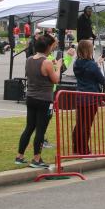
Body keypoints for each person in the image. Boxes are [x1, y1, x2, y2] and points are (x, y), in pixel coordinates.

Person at [15, 34, 61, 169]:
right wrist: (57, 66)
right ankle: (36, 159)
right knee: (40, 129)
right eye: (52, 46)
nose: (54, 48)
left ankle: (20, 156)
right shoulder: (46, 62)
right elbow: (56, 80)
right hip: (44, 99)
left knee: (29, 127)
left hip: (31, 97)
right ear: (48, 47)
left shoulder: (30, 59)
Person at [71, 39, 105, 155]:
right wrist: (97, 65)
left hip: (80, 95)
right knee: (87, 124)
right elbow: (101, 79)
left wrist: (96, 64)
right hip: (91, 97)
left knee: (80, 123)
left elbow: (88, 72)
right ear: (88, 50)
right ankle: (84, 149)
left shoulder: (77, 63)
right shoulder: (91, 65)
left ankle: (76, 147)